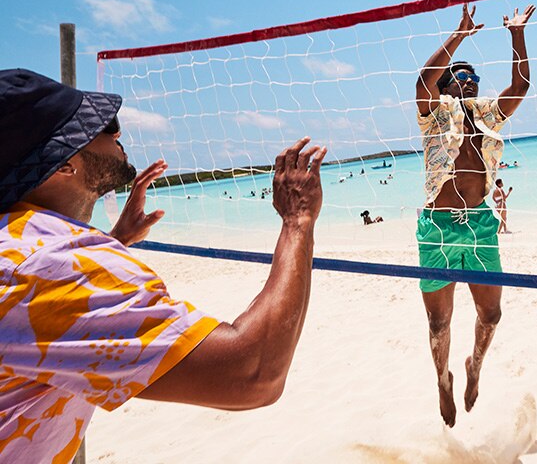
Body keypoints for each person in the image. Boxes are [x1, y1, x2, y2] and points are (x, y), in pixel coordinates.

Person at [0, 69, 327, 462]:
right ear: (64, 164)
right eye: (103, 126)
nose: (116, 133)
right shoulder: (57, 267)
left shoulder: (20, 249)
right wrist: (298, 221)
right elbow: (253, 373)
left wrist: (114, 241)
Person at [414, 2, 534, 427]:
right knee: (438, 321)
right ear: (448, 85)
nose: (468, 80)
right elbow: (422, 81)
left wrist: (515, 33)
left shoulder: (485, 114)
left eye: (473, 77)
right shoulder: (433, 115)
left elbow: (520, 86)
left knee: (492, 314)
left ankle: (474, 367)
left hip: (481, 222)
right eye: (460, 76)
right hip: (438, 226)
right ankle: (442, 380)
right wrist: (460, 35)